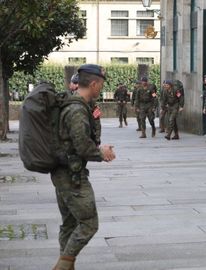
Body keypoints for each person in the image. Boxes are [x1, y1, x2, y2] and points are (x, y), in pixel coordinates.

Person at [51, 64, 116, 270]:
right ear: (94, 83)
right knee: (89, 224)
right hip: (71, 176)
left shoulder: (76, 104)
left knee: (69, 224)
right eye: (101, 84)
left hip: (63, 172)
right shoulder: (77, 109)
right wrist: (101, 152)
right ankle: (62, 266)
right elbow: (82, 146)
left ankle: (67, 266)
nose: (101, 87)